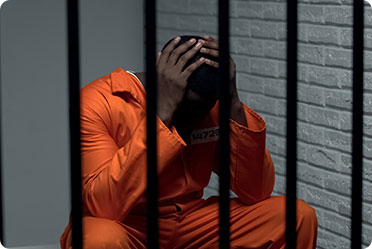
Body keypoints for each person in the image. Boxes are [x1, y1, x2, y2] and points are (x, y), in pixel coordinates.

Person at [60, 35, 318, 249]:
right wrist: (164, 113)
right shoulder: (99, 101)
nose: (195, 118)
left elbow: (256, 191)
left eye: (202, 110)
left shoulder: (209, 103)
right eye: (188, 108)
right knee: (96, 238)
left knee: (296, 216)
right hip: (129, 226)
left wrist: (233, 102)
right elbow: (105, 207)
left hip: (192, 222)